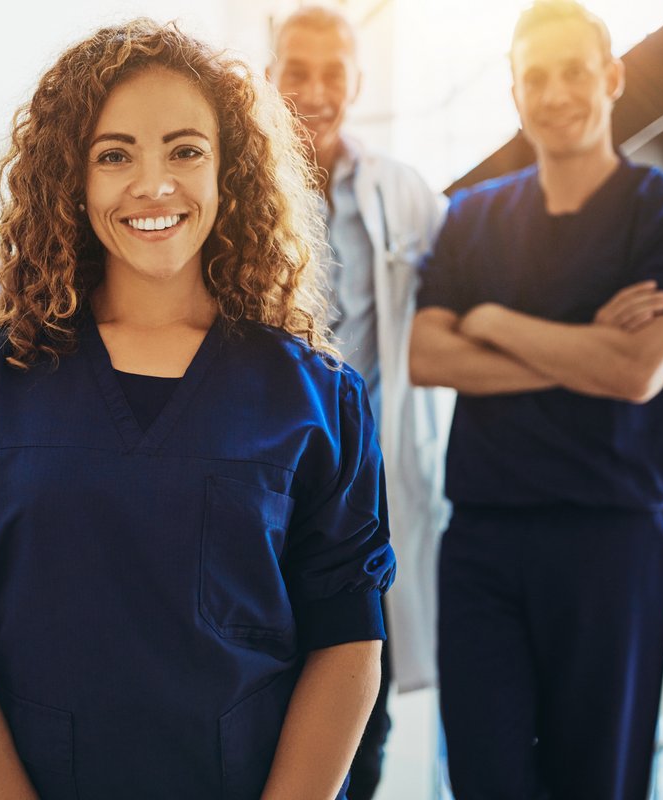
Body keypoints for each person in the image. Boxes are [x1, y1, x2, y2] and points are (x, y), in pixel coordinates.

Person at [0, 19, 394, 800]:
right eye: (114, 155)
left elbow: (348, 640)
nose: (154, 185)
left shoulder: (317, 397)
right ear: (70, 181)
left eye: (185, 150)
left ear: (231, 173)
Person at [409, 2, 663, 797]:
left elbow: (637, 373)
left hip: (610, 545)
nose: (555, 94)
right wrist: (587, 345)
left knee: (598, 783)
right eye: (534, 78)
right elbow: (425, 354)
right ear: (514, 93)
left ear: (612, 78)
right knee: (487, 778)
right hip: (484, 543)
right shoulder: (475, 216)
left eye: (574, 72)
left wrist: (493, 320)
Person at [267, 7, 449, 797]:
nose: (314, 90)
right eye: (296, 70)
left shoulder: (404, 193)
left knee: (358, 702)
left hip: (364, 491)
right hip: (265, 479)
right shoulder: (231, 186)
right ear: (271, 77)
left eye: (333, 72)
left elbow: (459, 304)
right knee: (263, 681)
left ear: (357, 81)